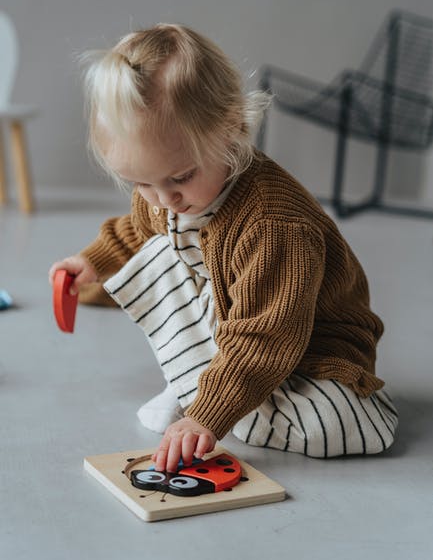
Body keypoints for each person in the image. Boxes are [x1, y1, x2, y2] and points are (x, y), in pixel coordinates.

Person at [49, 23, 398, 473]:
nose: (164, 198)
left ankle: (209, 396)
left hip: (310, 352)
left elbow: (265, 334)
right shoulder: (165, 197)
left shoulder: (273, 224)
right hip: (240, 333)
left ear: (233, 128)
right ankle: (201, 388)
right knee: (160, 250)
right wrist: (90, 262)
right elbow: (136, 228)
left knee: (335, 425)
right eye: (141, 182)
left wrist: (206, 418)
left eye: (180, 177)